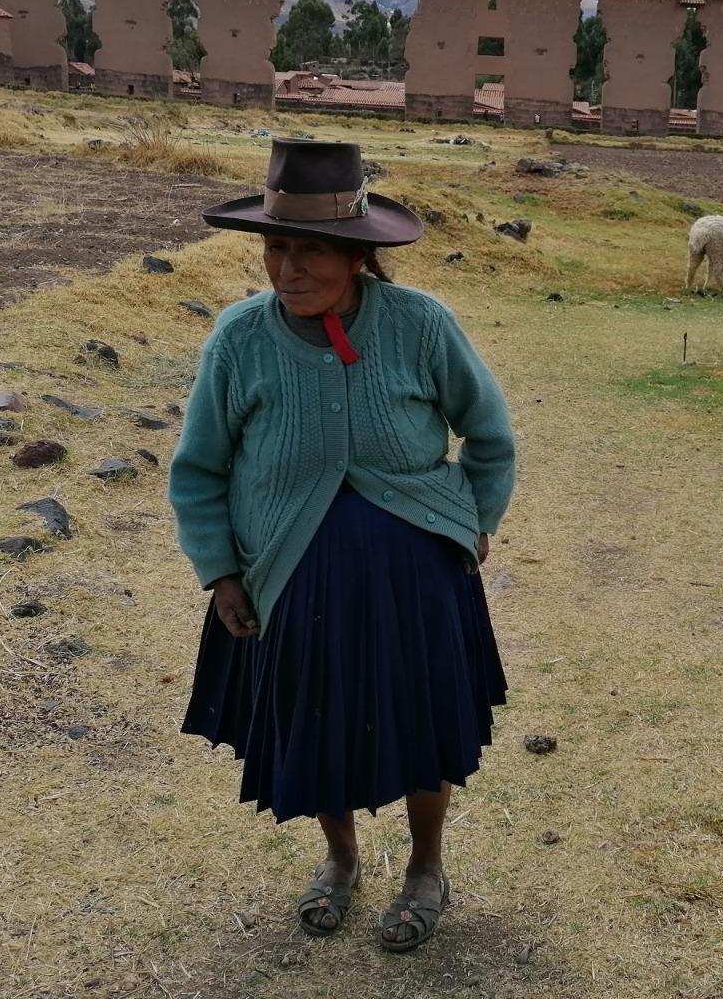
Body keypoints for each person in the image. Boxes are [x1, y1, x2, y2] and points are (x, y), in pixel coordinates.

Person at [167, 138, 516, 952]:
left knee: (424, 720)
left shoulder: (421, 325)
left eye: (310, 249)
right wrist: (220, 571)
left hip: (415, 578)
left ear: (356, 257)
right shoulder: (241, 338)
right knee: (316, 724)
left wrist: (476, 523)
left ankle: (426, 866)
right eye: (275, 246)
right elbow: (200, 468)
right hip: (290, 581)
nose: (287, 268)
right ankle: (340, 858)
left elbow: (490, 437)